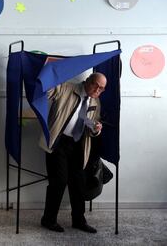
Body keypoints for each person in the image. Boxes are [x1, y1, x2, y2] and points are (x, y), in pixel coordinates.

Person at [39, 72, 107, 233]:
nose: (97, 90)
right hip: (58, 142)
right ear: (87, 81)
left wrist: (96, 129)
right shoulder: (66, 88)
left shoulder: (95, 102)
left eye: (101, 88)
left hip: (78, 144)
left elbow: (91, 124)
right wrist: (50, 73)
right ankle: (48, 219)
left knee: (78, 183)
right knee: (59, 181)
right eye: (95, 85)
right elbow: (46, 91)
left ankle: (79, 220)